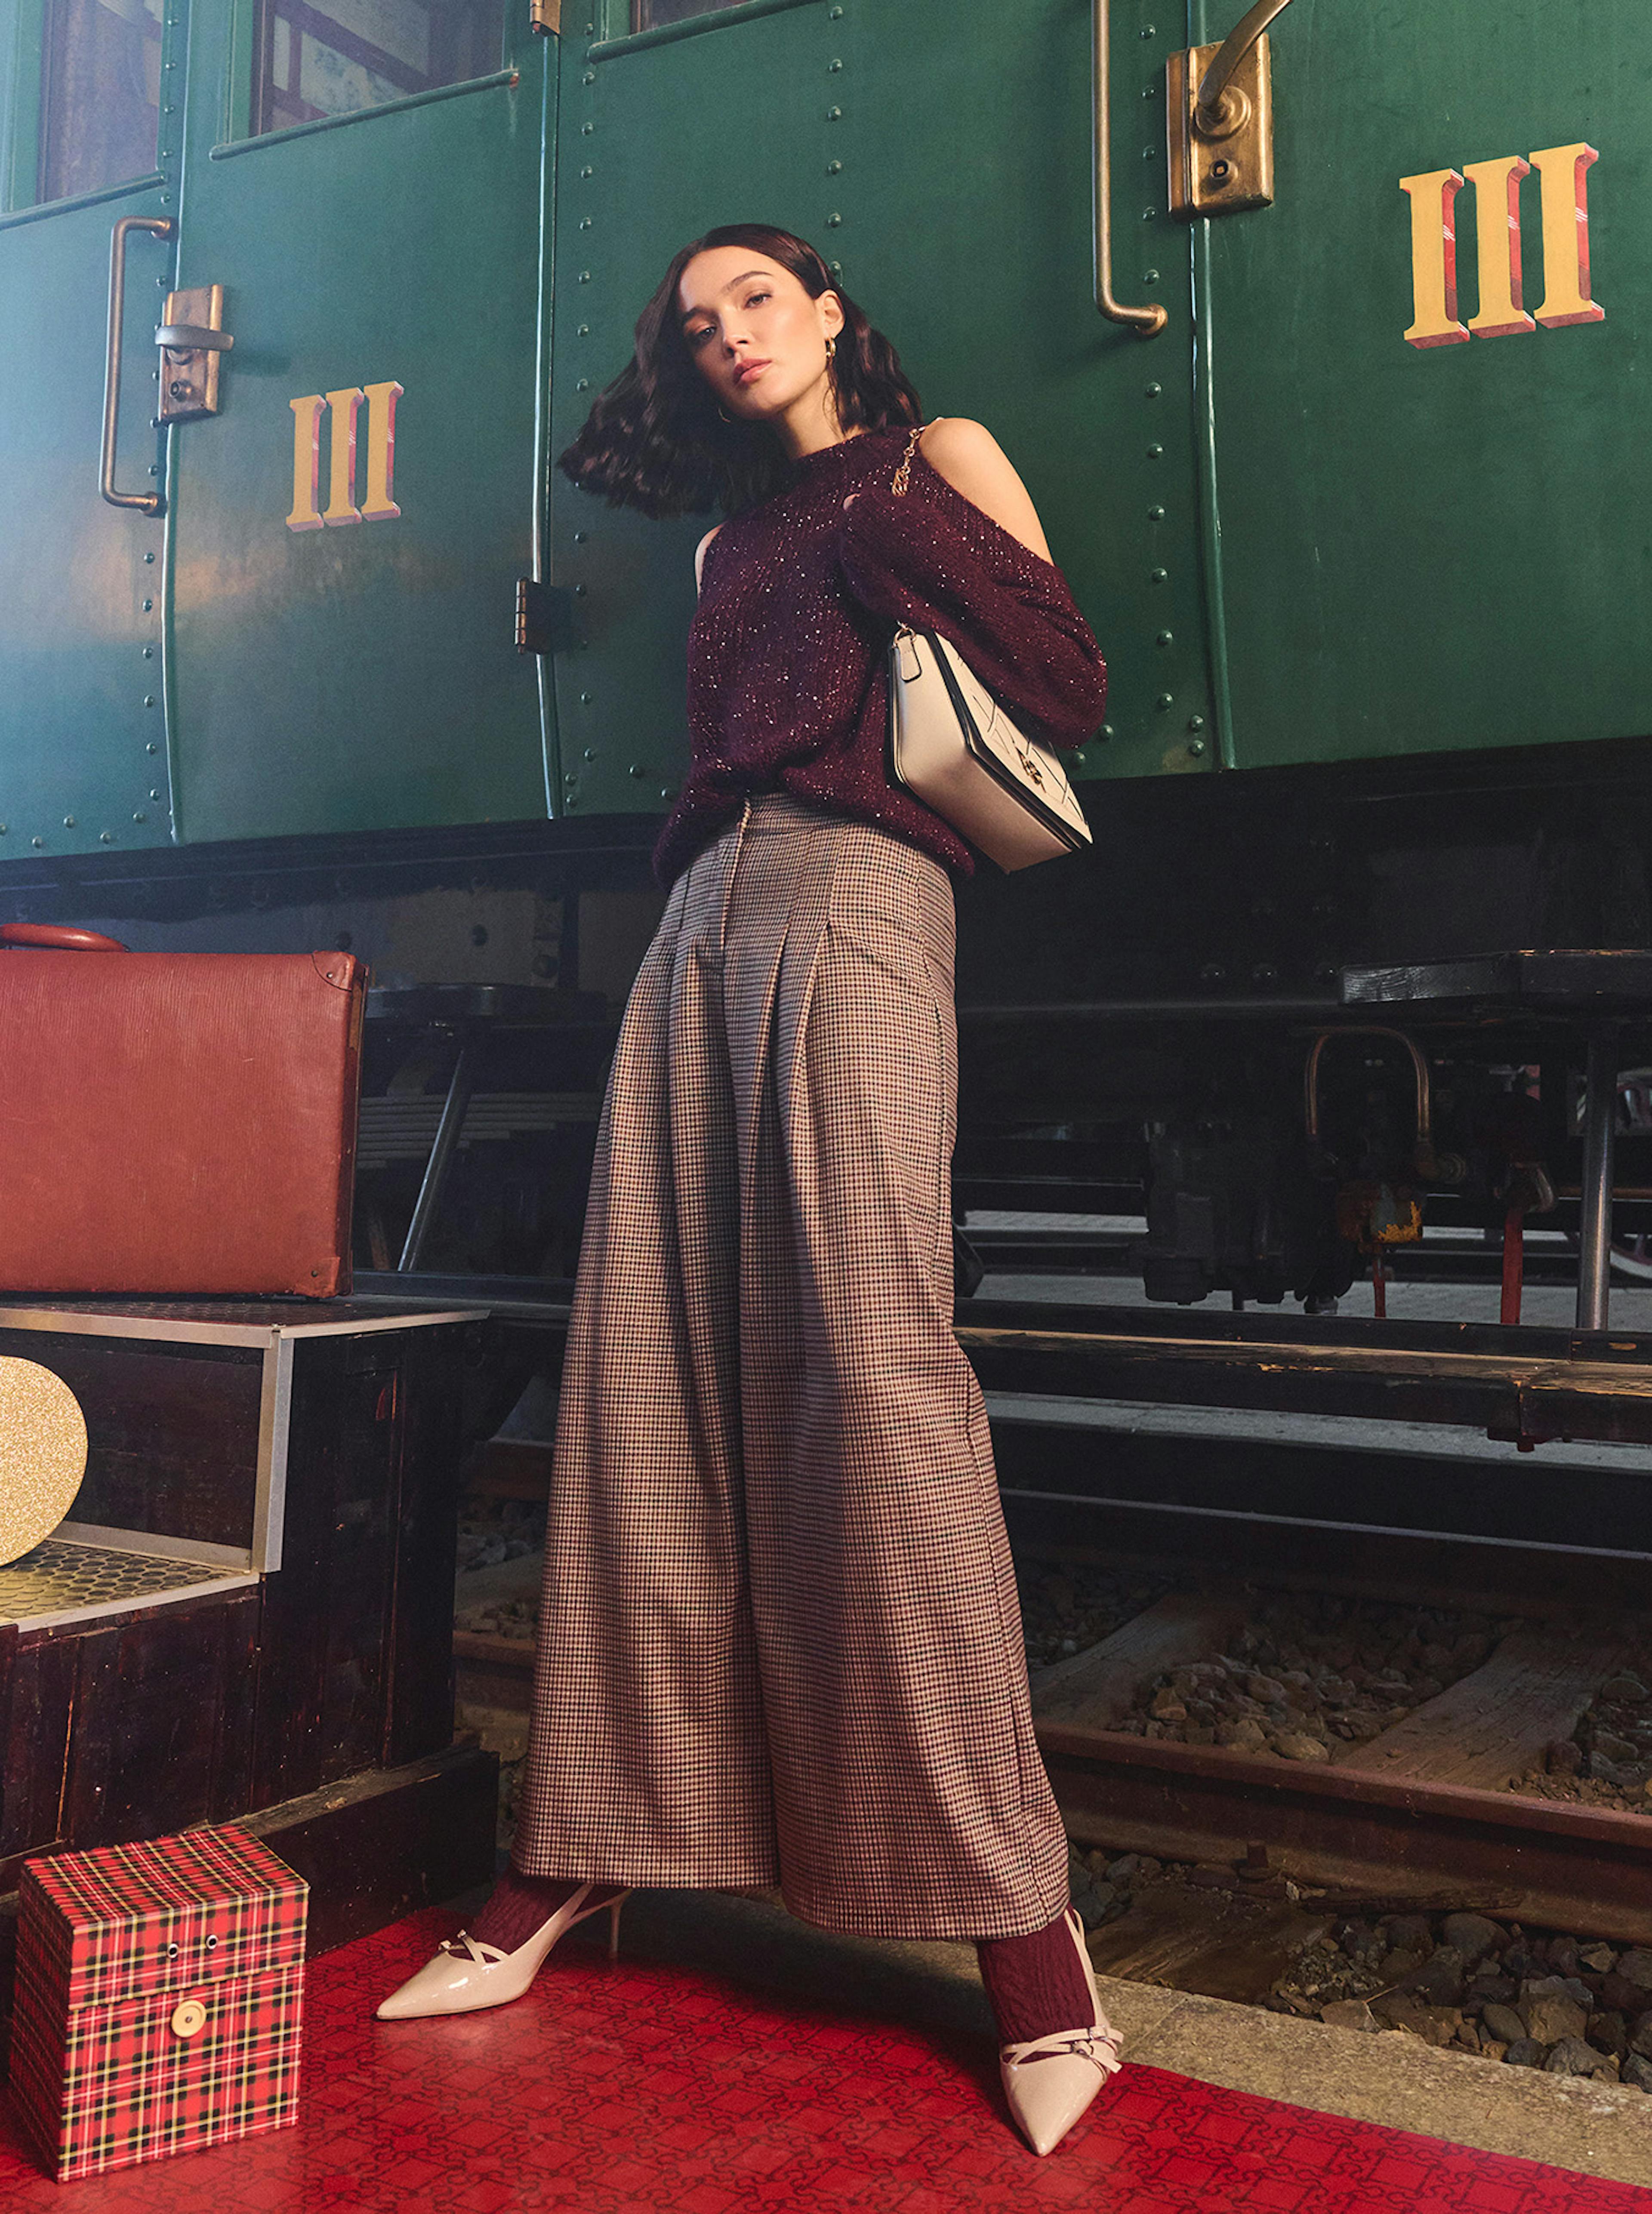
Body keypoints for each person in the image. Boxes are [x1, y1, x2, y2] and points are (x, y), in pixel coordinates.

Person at [376, 223, 1118, 2157]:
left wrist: (877, 515)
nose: (726, 340)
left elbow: (1068, 677)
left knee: (872, 1371)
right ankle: (583, 1850)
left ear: (832, 310)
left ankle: (1025, 1936)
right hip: (699, 919)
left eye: (756, 302)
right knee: (643, 1379)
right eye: (698, 327)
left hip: (868, 900)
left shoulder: (933, 460)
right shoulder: (718, 551)